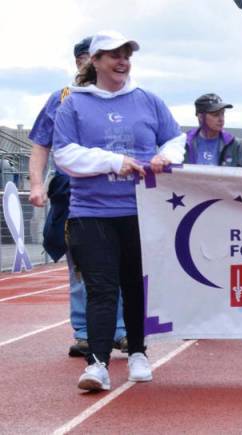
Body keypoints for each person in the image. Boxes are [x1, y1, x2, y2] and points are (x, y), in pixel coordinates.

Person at [52, 30, 185, 391]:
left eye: (127, 53)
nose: (122, 59)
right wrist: (115, 161)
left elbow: (175, 138)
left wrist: (166, 157)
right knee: (101, 288)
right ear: (95, 61)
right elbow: (63, 154)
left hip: (141, 211)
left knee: (136, 285)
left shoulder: (147, 101)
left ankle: (139, 352)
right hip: (91, 213)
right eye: (113, 54)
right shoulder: (73, 105)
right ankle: (97, 364)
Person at [28, 36, 127, 358]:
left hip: (118, 192)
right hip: (73, 193)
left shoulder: (125, 96)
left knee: (123, 264)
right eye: (93, 57)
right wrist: (38, 185)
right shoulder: (62, 99)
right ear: (81, 61)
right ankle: (85, 332)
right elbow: (41, 143)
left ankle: (123, 331)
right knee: (81, 268)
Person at [184, 93, 242, 167]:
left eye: (223, 113)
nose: (221, 119)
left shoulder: (236, 146)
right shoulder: (183, 143)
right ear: (201, 117)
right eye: (215, 115)